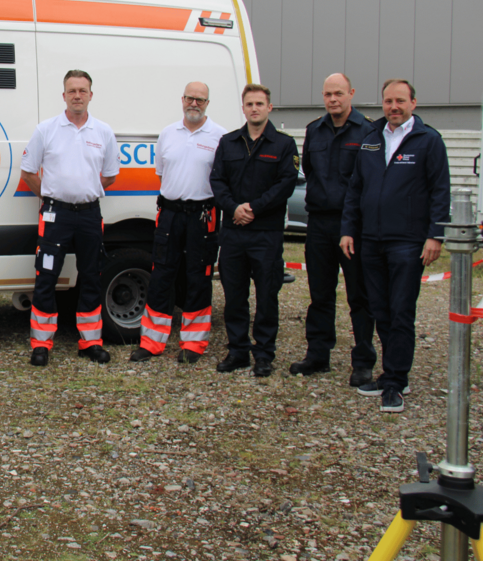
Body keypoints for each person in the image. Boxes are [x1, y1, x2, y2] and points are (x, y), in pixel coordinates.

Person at [340, 79, 450, 412]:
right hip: (371, 240)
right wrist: (348, 230)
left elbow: (439, 191)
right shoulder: (372, 139)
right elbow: (356, 189)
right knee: (381, 310)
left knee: (401, 311)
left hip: (407, 242)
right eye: (388, 101)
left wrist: (435, 235)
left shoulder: (428, 141)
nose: (394, 107)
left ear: (413, 103)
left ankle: (396, 383)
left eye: (400, 101)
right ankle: (390, 373)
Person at [20, 70, 120, 366]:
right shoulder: (46, 130)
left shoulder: (103, 132)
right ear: (64, 95)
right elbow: (27, 172)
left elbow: (110, 176)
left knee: (91, 276)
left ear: (91, 95)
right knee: (46, 277)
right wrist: (51, 194)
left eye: (83, 90)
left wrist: (85, 190)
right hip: (55, 215)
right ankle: (41, 343)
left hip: (90, 214)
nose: (77, 95)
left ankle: (90, 342)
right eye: (72, 90)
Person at [130, 82, 226, 364]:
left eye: (200, 99)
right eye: (190, 98)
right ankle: (151, 342)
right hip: (170, 213)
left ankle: (193, 344)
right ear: (182, 100)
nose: (194, 103)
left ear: (208, 103)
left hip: (203, 216)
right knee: (161, 275)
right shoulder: (168, 134)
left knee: (198, 277)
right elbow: (163, 174)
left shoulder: (220, 136)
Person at [290, 73, 376, 386]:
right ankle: (318, 355)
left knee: (359, 296)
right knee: (320, 294)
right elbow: (310, 171)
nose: (332, 100)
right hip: (320, 223)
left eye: (338, 93)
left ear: (351, 93)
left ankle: (363, 361)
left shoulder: (368, 130)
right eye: (328, 94)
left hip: (353, 225)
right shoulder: (315, 130)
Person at [210, 83, 299, 377]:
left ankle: (263, 354)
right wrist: (234, 208)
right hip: (234, 232)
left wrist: (253, 208)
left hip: (265, 233)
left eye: (260, 104)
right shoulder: (229, 142)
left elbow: (285, 184)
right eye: (249, 104)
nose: (254, 109)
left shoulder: (284, 145)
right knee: (234, 295)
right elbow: (217, 181)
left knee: (266, 296)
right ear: (244, 108)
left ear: (269, 107)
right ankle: (237, 351)